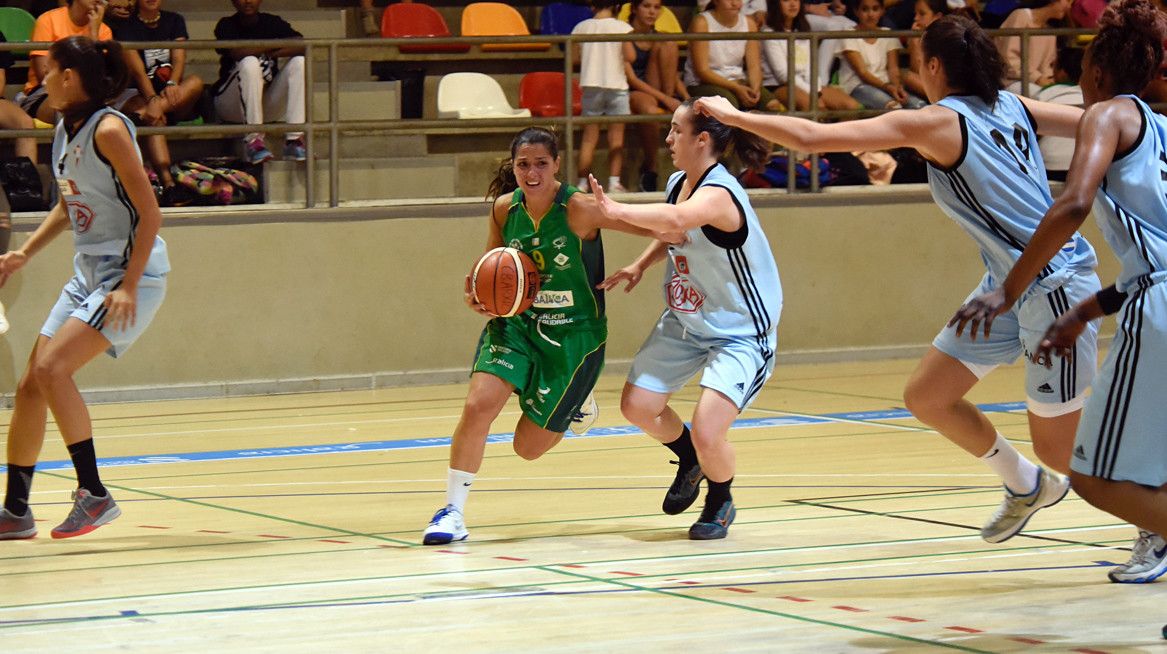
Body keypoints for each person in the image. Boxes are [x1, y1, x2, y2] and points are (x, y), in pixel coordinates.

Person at [695, 13, 1102, 545]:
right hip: (1004, 286)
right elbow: (1094, 121)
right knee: (929, 396)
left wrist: (736, 115)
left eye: (916, 61)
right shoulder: (1012, 105)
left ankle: (1155, 519)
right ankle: (1026, 486)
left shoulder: (936, 121)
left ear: (933, 66)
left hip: (1054, 287)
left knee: (1058, 447)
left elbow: (814, 137)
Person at [951, 0, 1167, 586]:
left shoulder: (1107, 115)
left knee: (1097, 475)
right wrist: (1086, 311)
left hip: (1160, 305)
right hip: (1145, 291)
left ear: (1095, 71)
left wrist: (1008, 290)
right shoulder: (1158, 128)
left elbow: (1072, 203)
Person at [420, 127, 680, 546]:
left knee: (527, 447)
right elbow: (493, 262)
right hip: (518, 327)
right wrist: (480, 298)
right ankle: (452, 511)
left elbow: (663, 230)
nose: (532, 172)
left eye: (541, 163)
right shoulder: (505, 209)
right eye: (523, 164)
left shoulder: (579, 209)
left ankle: (578, 402)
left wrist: (656, 244)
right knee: (478, 405)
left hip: (574, 338)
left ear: (557, 164)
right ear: (514, 166)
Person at [0, 35, 170, 540]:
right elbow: (68, 202)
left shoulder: (112, 129)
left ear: (69, 77)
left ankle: (93, 493)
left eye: (47, 71)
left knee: (54, 370)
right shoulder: (62, 127)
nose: (41, 79)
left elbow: (151, 214)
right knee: (31, 384)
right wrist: (24, 253)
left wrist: (130, 285)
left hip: (128, 273)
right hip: (89, 273)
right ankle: (16, 510)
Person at [588, 98, 781, 540]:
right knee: (637, 406)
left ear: (703, 139)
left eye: (676, 130)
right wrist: (641, 263)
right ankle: (689, 457)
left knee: (710, 429)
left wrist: (615, 211)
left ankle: (720, 498)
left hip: (740, 333)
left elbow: (677, 219)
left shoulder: (720, 195)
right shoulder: (680, 182)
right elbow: (673, 232)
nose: (669, 138)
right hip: (688, 320)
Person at [108, 0, 206, 206]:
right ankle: (169, 185)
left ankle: (138, 118)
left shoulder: (175, 20)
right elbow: (138, 71)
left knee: (196, 82)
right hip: (140, 95)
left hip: (171, 96)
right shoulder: (126, 26)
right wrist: (152, 99)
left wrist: (172, 83)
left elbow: (179, 58)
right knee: (156, 119)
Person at [212, 0, 306, 165]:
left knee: (299, 62)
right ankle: (254, 142)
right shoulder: (227, 24)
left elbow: (301, 45)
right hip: (230, 106)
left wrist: (261, 48)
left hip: (266, 106)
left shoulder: (272, 22)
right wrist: (272, 46)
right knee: (249, 62)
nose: (248, 0)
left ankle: (294, 140)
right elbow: (238, 52)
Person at [17, 0, 114, 125]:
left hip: (87, 93)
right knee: (70, 106)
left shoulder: (104, 30)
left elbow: (98, 77)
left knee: (105, 115)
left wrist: (94, 35)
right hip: (43, 92)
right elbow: (44, 75)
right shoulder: (48, 19)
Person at [626, 0, 689, 192]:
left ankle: (687, 167)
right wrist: (666, 99)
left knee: (668, 43)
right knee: (650, 110)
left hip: (660, 88)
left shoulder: (661, 39)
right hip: (634, 89)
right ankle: (650, 168)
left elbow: (673, 75)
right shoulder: (625, 37)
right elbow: (632, 80)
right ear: (635, 8)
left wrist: (687, 99)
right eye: (646, 6)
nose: (652, 12)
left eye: (656, 7)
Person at [573, 0, 634, 193]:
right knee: (617, 138)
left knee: (589, 138)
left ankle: (582, 183)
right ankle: (614, 182)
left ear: (593, 5)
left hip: (591, 86)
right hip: (617, 86)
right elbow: (631, 56)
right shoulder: (623, 27)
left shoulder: (581, 27)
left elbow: (574, 58)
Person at [683, 0, 784, 113]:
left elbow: (754, 66)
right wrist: (736, 88)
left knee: (772, 105)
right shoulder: (701, 22)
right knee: (729, 105)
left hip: (738, 80)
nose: (735, 3)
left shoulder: (749, 23)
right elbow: (702, 71)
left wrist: (755, 89)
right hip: (701, 83)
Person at [761, 0, 861, 111]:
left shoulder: (803, 30)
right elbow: (783, 75)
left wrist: (816, 90)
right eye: (786, 0)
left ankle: (835, 129)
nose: (793, 4)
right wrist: (813, 93)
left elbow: (810, 68)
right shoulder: (769, 32)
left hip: (806, 84)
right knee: (814, 106)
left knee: (851, 106)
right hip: (777, 86)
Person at [837, 0, 926, 109]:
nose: (870, 14)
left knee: (919, 106)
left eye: (875, 9)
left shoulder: (887, 33)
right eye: (865, 9)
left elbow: (893, 69)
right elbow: (863, 73)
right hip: (857, 86)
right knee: (894, 107)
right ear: (856, 11)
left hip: (886, 86)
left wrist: (897, 88)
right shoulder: (848, 35)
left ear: (882, 11)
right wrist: (888, 87)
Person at [996, 0, 1073, 98]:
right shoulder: (1021, 15)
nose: (1069, 7)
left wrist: (1049, 81)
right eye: (1067, 1)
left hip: (1036, 82)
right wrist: (1037, 78)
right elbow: (1008, 59)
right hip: (1011, 81)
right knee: (1044, 97)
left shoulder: (1050, 30)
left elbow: (1047, 66)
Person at [1033, 45, 1084, 181]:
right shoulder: (1092, 99)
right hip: (1083, 167)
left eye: (1053, 67)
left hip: (1049, 166)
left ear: (1062, 72)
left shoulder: (1044, 95)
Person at [902, 0, 949, 100]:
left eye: (922, 14)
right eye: (916, 14)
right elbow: (917, 70)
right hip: (930, 84)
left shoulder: (948, 36)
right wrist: (915, 41)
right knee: (908, 77)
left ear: (937, 17)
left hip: (947, 85)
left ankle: (947, 103)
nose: (916, 18)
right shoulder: (920, 36)